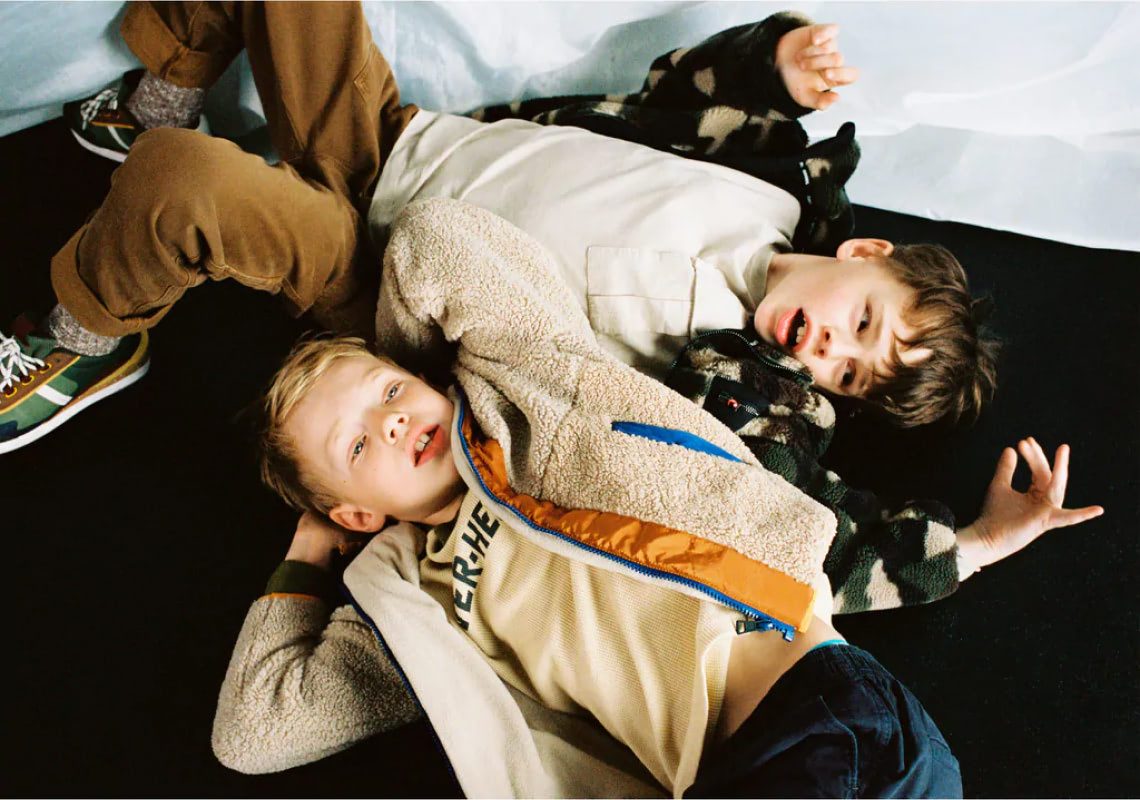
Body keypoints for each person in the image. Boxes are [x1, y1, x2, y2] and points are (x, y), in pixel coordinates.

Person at [1, 1, 993, 457]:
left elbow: (783, 495)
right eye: (863, 323)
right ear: (864, 253)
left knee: (182, 183)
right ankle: (160, 93)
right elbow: (685, 92)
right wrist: (774, 62)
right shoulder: (769, 188)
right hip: (402, 140)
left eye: (848, 376)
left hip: (374, 270)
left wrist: (967, 545)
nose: (828, 350)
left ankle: (89, 337)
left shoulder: (726, 376)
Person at [215, 197, 966, 797]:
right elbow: (254, 733)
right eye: (355, 445)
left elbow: (432, 238)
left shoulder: (525, 386)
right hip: (734, 772)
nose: (391, 423)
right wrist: (309, 557)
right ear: (356, 513)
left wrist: (418, 371)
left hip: (823, 717)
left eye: (388, 394)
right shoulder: (413, 601)